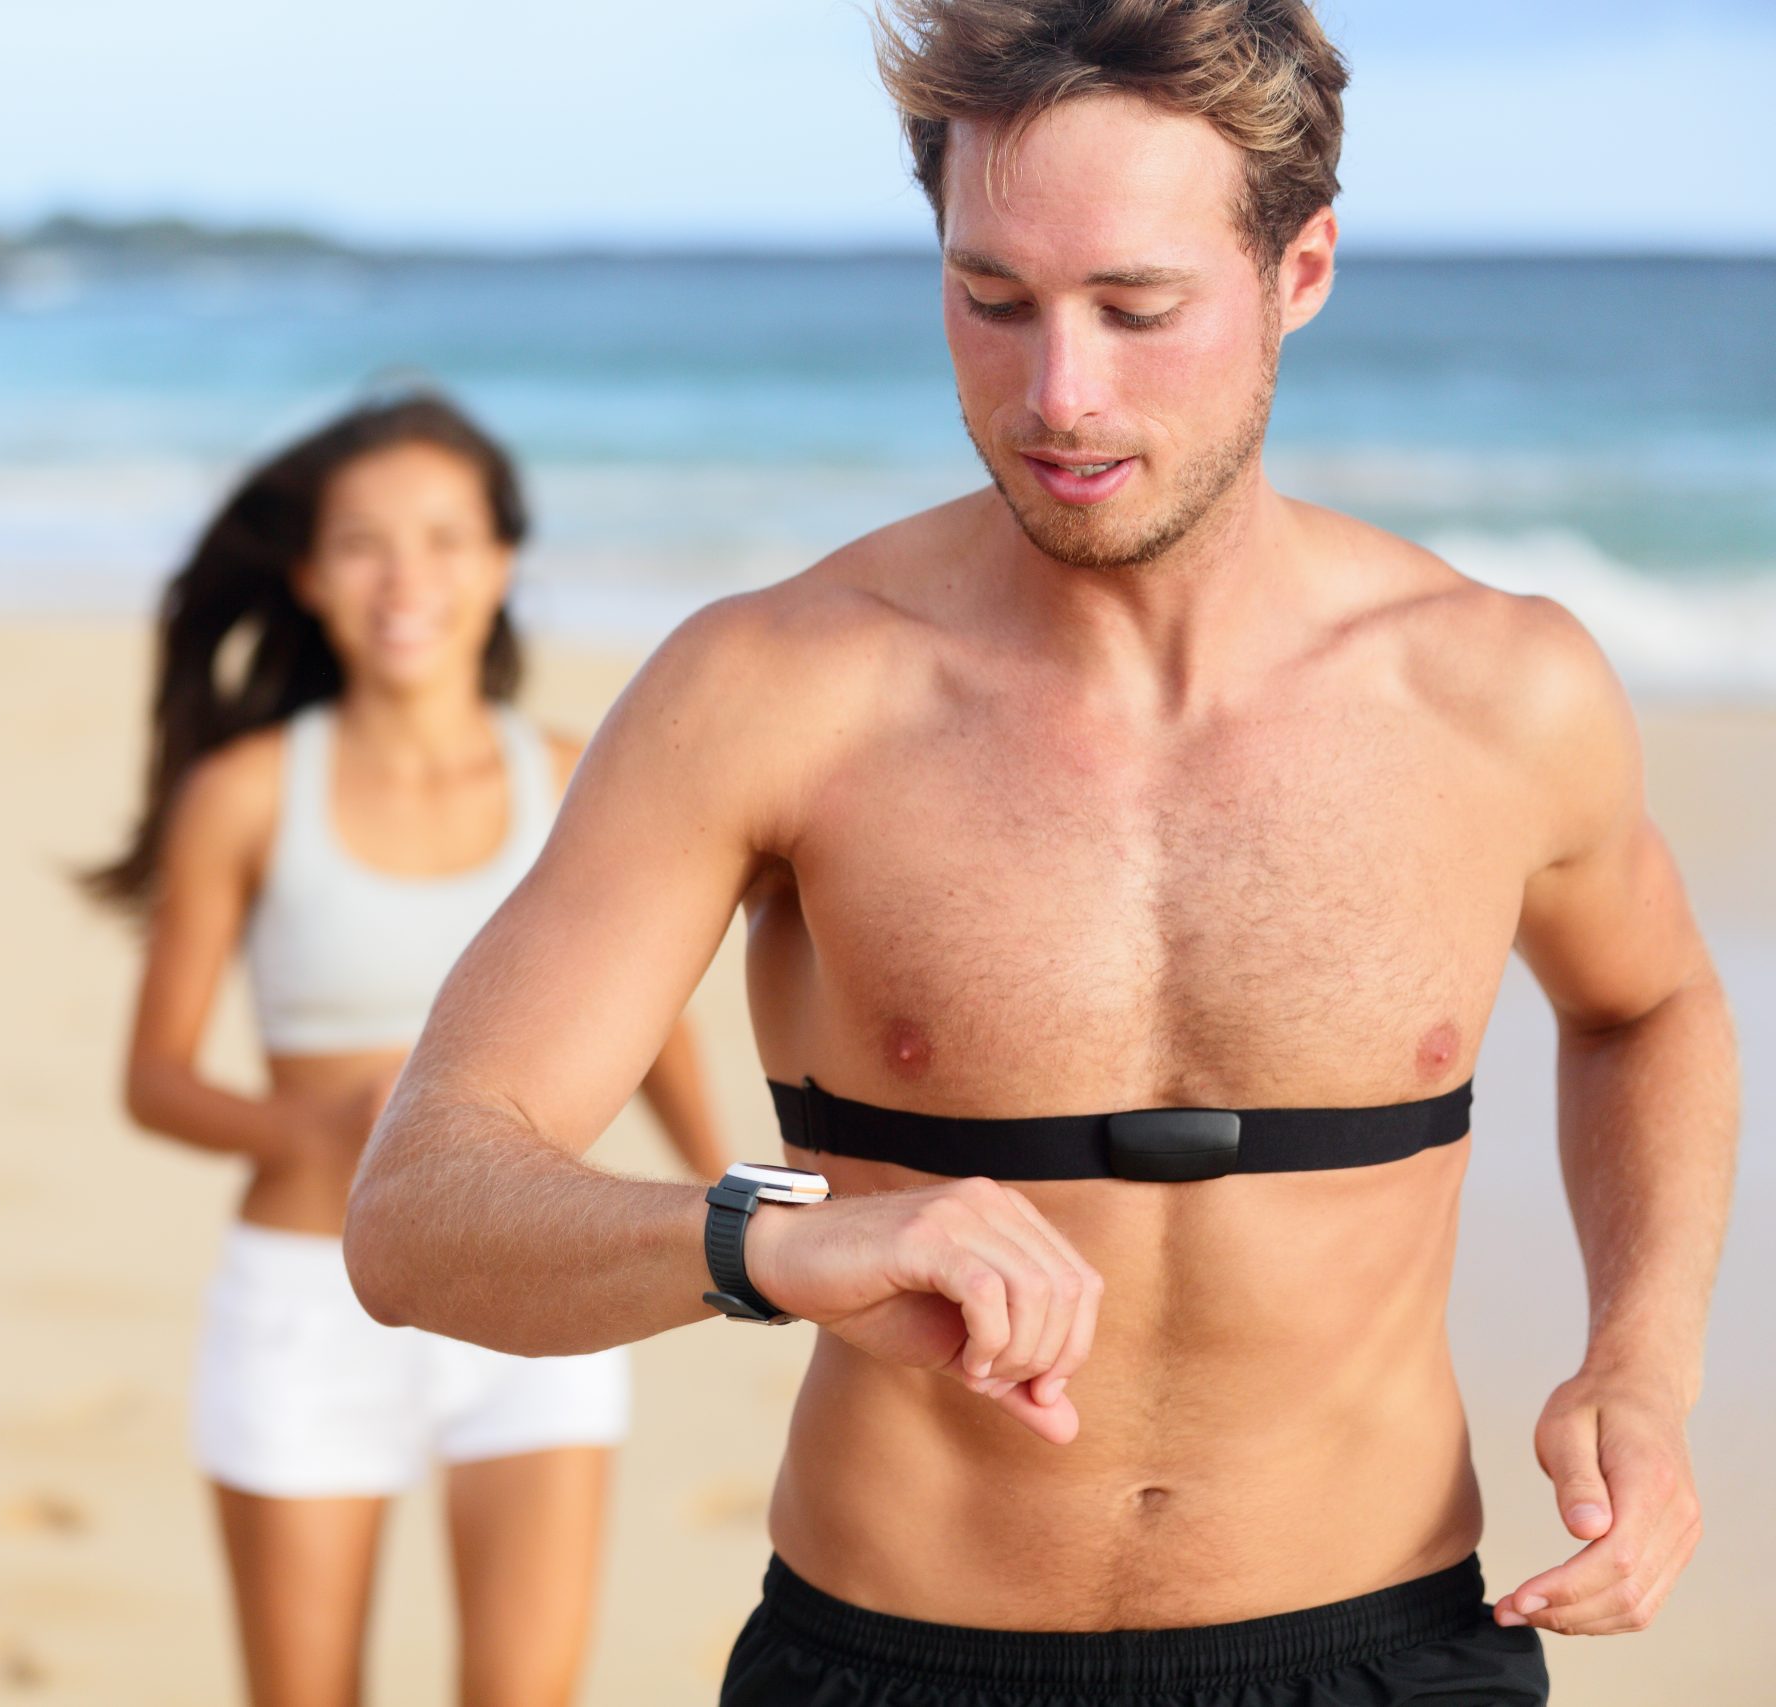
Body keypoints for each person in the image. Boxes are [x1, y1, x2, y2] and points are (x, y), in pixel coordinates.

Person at [338, 6, 1739, 1706]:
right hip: (896, 1661)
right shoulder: (773, 690)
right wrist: (765, 1244)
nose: (1057, 396)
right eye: (990, 300)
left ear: (1300, 272)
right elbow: (419, 1212)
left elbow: (1648, 1007)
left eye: (1137, 309)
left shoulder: (1499, 690)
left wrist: (1639, 1368)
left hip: (1390, 1657)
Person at [84, 391, 730, 1707]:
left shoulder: (571, 778)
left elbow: (655, 1022)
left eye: (444, 539)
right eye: (366, 543)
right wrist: (310, 1131)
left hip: (535, 1280)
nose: (407, 578)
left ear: (500, 565)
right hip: (304, 1303)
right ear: (313, 578)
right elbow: (153, 1080)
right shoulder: (248, 794)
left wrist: (741, 1213)